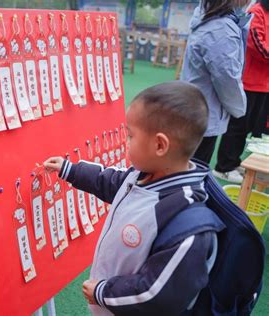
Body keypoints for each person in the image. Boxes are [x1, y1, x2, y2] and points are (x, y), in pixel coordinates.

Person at [44, 82, 217, 315]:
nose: (126, 142)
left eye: (130, 135)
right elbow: (111, 181)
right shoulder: (142, 177)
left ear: (159, 145)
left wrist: (103, 292)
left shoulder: (187, 226)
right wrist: (70, 170)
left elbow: (158, 295)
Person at [181, 0, 252, 163]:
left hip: (194, 108)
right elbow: (227, 78)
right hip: (204, 113)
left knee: (186, 166)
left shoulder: (208, 18)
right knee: (194, 168)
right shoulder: (221, 29)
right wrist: (239, 108)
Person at [213, 0, 269, 183]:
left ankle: (235, 162)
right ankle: (223, 167)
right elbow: (256, 45)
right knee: (237, 127)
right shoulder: (256, 11)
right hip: (248, 82)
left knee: (251, 129)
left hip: (264, 84)